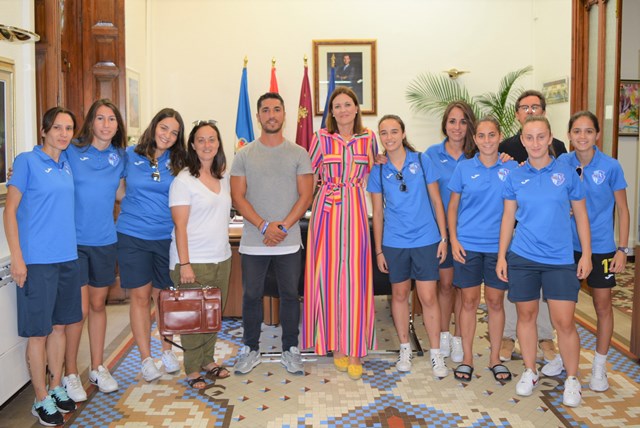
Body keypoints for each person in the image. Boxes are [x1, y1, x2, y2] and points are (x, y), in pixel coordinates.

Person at [496, 115, 592, 408]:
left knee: (564, 322)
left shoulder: (565, 173)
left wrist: (586, 254)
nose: (535, 143)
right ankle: (530, 370)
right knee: (525, 317)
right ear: (522, 141)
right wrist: (502, 255)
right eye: (529, 137)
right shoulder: (515, 175)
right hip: (523, 257)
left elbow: (582, 215)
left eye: (541, 137)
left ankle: (572, 379)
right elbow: (508, 217)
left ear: (550, 138)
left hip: (559, 259)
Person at [4, 107, 80, 426]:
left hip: (66, 257)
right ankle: (39, 399)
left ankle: (55, 385)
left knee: (60, 327)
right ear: (44, 130)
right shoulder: (26, 162)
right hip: (36, 260)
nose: (64, 133)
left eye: (69, 128)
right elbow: (10, 212)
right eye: (58, 128)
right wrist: (18, 257)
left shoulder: (66, 164)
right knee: (39, 333)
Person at [230, 92, 314, 376]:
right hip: (254, 240)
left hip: (289, 241)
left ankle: (290, 349)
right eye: (265, 110)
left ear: (284, 114)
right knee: (251, 296)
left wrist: (282, 226)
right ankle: (250, 349)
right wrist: (265, 226)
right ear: (258, 116)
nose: (271, 115)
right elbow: (238, 197)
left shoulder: (298, 153)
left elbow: (306, 196)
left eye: (276, 109)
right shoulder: (243, 154)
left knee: (290, 295)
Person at [302, 86, 378, 381]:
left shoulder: (368, 138)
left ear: (357, 109)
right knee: (328, 278)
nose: (343, 110)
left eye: (348, 104)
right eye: (337, 106)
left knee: (356, 279)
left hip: (357, 210)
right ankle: (334, 344)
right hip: (327, 213)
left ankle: (356, 348)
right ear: (331, 112)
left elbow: (376, 174)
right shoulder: (321, 139)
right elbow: (307, 176)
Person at [368, 114, 449, 377]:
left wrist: (444, 237)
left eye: (394, 131)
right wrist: (379, 249)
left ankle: (436, 353)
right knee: (400, 295)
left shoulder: (422, 161)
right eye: (384, 133)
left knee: (427, 297)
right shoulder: (378, 169)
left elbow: (437, 202)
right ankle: (405, 348)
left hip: (426, 240)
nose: (389, 137)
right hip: (394, 242)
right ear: (380, 137)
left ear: (403, 134)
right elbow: (377, 213)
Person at [556, 111, 630, 392]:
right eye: (576, 131)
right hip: (566, 247)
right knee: (563, 306)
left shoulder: (610, 166)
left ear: (597, 135)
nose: (582, 137)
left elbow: (622, 209)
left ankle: (599, 366)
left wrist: (623, 248)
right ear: (569, 135)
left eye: (588, 131)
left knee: (602, 305)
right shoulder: (562, 162)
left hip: (601, 249)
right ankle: (564, 358)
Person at [61, 99, 126, 402]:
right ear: (91, 122)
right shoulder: (72, 151)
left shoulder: (120, 157)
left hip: (105, 240)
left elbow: (125, 193)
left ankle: (98, 367)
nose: (106, 124)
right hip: (73, 242)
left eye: (111, 119)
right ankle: (70, 372)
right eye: (100, 118)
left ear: (117, 124)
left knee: (99, 306)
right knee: (79, 310)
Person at [116, 108, 187, 382]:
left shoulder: (179, 160)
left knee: (164, 297)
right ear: (154, 125)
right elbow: (118, 189)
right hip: (132, 235)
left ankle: (166, 351)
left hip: (165, 237)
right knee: (140, 297)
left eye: (174, 132)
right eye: (164, 128)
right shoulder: (129, 155)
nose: (167, 135)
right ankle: (146, 358)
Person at [498, 90, 566, 364]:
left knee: (546, 289)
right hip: (517, 228)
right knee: (516, 288)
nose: (530, 111)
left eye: (535, 106)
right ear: (517, 114)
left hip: (549, 230)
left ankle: (545, 336)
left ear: (544, 111)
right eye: (524, 107)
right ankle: (509, 335)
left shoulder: (558, 147)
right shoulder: (505, 147)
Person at [447, 116, 518, 382]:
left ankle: (494, 358)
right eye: (481, 136)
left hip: (499, 248)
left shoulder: (511, 169)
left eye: (492, 135)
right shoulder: (464, 168)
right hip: (467, 246)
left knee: (496, 302)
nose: (487, 140)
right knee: (468, 302)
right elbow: (452, 207)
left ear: (500, 137)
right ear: (474, 139)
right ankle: (466, 358)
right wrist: (453, 240)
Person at [169, 120, 233, 389]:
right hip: (192, 261)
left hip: (222, 257)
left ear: (218, 143)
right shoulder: (184, 180)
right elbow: (179, 226)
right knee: (193, 320)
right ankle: (193, 369)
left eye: (212, 139)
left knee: (212, 317)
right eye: (201, 140)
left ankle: (208, 361)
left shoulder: (222, 175)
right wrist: (185, 264)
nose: (207, 145)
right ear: (193, 145)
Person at [424, 100, 477, 363]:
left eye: (463, 121)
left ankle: (458, 338)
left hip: (470, 234)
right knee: (445, 285)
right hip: (442, 232)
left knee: (464, 288)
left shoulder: (479, 153)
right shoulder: (431, 154)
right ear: (445, 124)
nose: (457, 127)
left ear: (470, 125)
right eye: (452, 121)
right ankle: (443, 334)